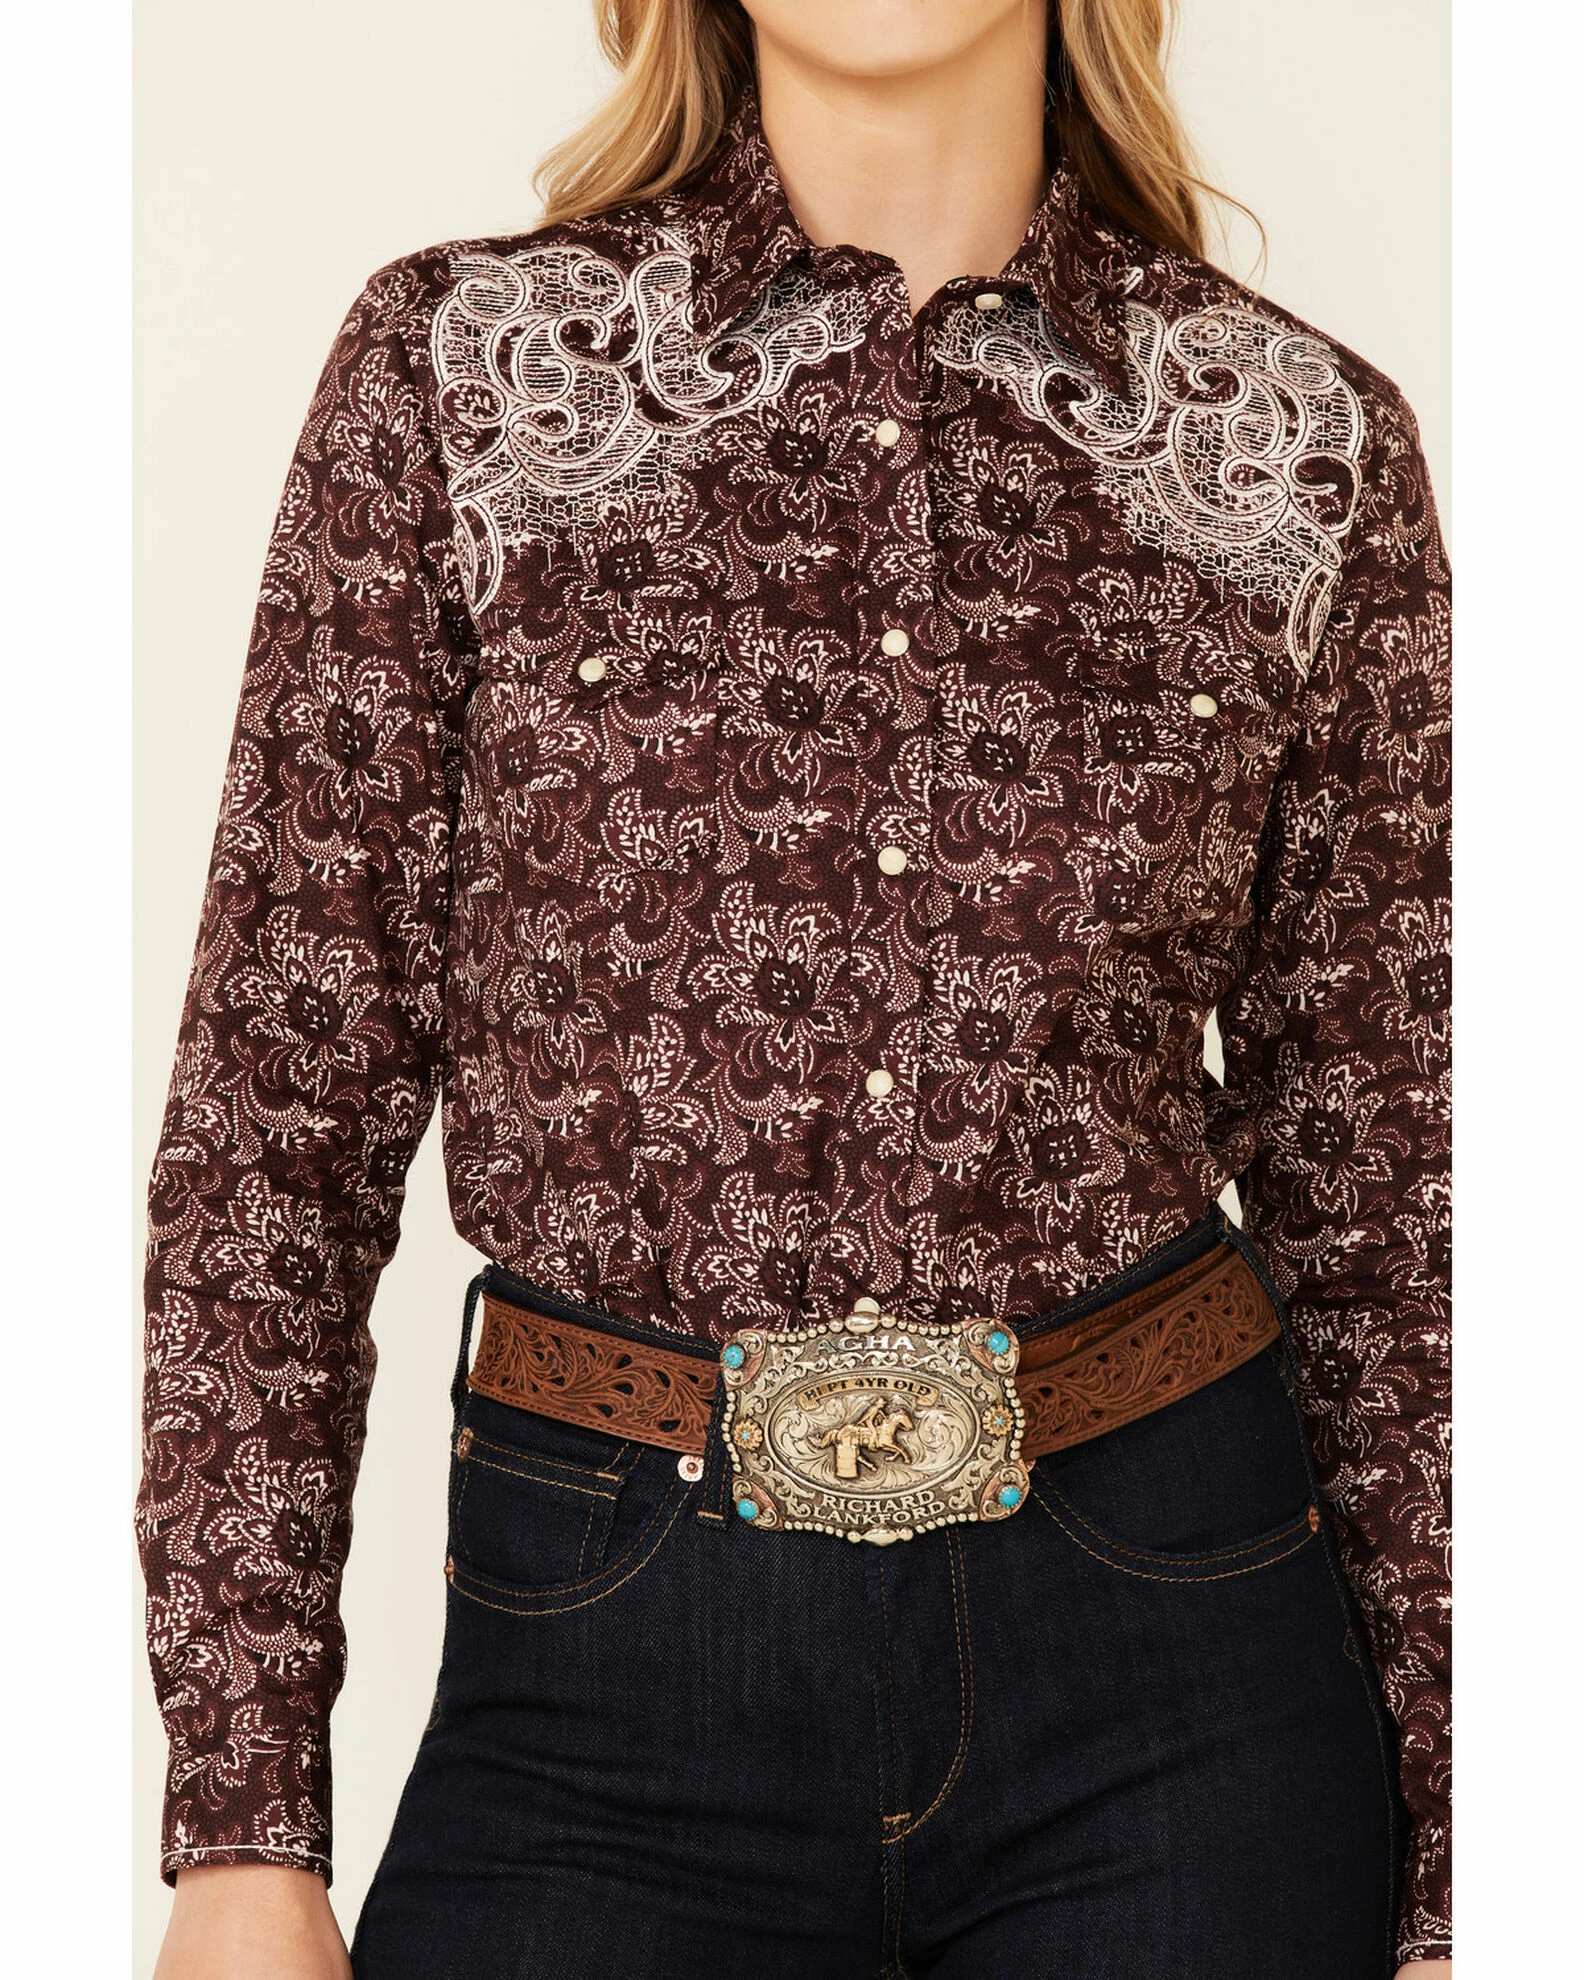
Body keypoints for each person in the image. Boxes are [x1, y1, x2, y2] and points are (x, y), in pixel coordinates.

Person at [138, 3, 1451, 1975]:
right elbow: (275, 1120)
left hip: (1181, 1677)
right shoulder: (462, 380)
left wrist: (1473, 1864)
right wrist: (243, 1828)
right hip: (600, 1688)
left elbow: (1405, 1203)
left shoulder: (1298, 448)